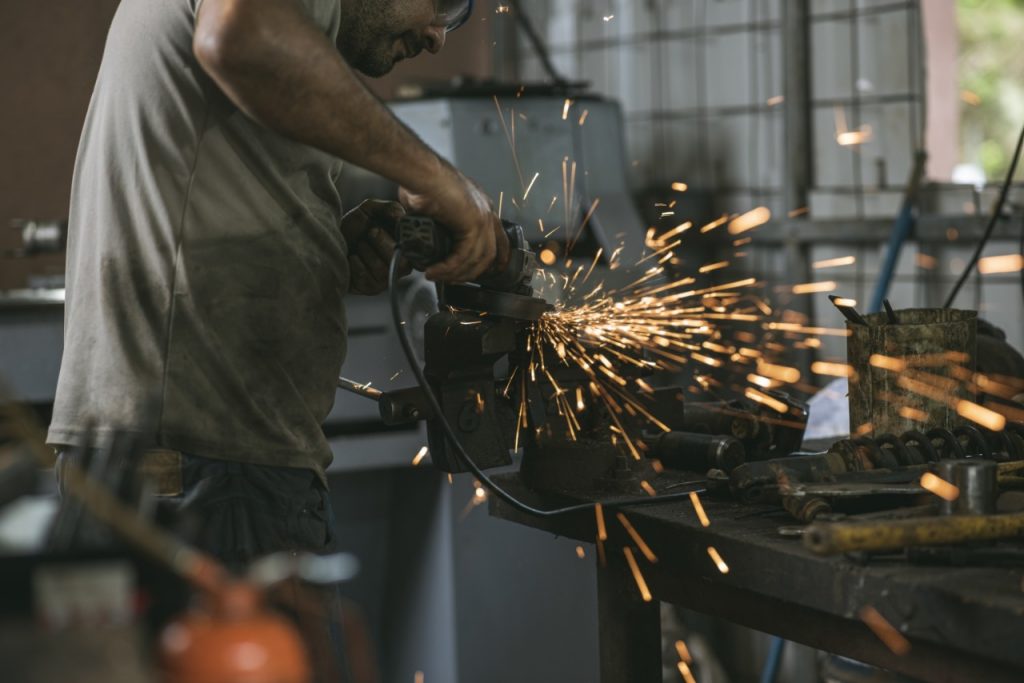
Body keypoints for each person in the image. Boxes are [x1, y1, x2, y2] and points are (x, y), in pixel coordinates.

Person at [48, 0, 501, 678]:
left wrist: (318, 246)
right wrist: (434, 175)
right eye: (442, 4)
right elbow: (239, 36)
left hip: (182, 463)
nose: (440, 36)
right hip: (210, 474)